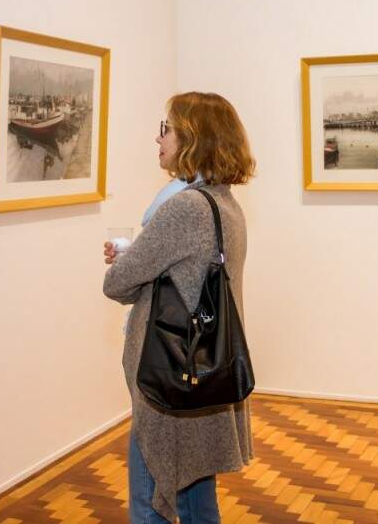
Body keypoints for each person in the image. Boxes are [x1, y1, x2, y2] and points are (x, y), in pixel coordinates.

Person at [102, 92, 256, 524]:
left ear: (193, 137)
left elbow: (117, 283)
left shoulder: (184, 208)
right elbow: (185, 271)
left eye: (166, 129)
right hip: (201, 384)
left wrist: (129, 261)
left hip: (168, 388)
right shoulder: (223, 203)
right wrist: (141, 259)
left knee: (150, 506)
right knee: (194, 504)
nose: (158, 138)